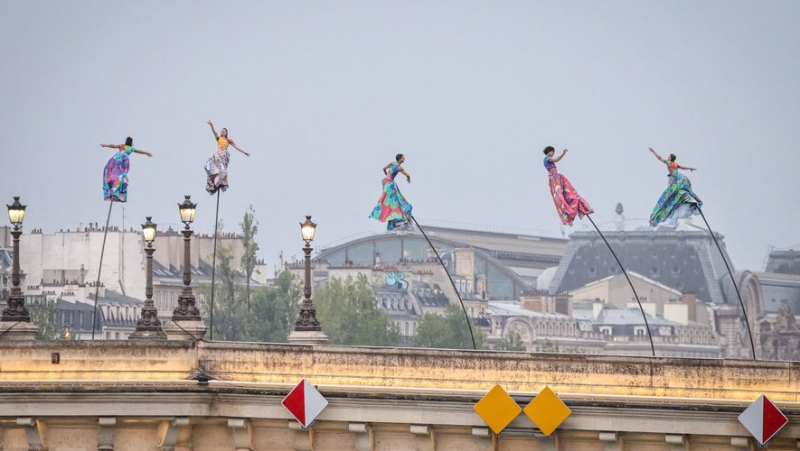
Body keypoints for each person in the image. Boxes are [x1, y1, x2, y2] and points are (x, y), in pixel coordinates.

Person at [648, 147, 702, 227]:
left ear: (670, 158)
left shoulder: (669, 162)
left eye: (669, 156)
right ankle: (686, 199)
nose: (667, 157)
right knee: (682, 191)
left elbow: (659, 158)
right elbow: (682, 167)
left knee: (671, 194)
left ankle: (675, 204)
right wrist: (690, 168)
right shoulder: (675, 164)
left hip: (678, 179)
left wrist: (653, 151)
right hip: (682, 177)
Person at [543, 146, 593, 226]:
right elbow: (556, 160)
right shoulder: (546, 158)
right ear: (548, 151)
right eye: (552, 151)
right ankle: (567, 215)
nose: (553, 153)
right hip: (554, 179)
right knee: (560, 197)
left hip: (558, 177)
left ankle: (575, 210)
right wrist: (563, 154)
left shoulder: (557, 172)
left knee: (569, 192)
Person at [205, 120, 250, 195]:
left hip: (224, 154)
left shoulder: (228, 140)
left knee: (222, 169)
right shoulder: (218, 138)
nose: (222, 132)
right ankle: (214, 180)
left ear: (226, 133)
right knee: (213, 166)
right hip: (218, 154)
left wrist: (244, 152)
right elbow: (214, 133)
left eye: (224, 131)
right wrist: (212, 126)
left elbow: (236, 146)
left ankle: (221, 180)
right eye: (221, 131)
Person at [100, 137, 152, 202]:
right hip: (123, 160)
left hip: (116, 158)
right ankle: (115, 188)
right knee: (121, 175)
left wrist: (105, 145)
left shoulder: (122, 146)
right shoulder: (130, 148)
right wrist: (147, 153)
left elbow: (112, 146)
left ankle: (114, 187)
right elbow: (139, 151)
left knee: (114, 173)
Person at [370, 154, 413, 230]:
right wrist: (408, 178)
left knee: (392, 201)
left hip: (385, 182)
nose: (404, 159)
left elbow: (384, 168)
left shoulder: (392, 163)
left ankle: (396, 219)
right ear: (400, 159)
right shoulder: (399, 167)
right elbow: (407, 175)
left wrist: (387, 176)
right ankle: (400, 219)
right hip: (389, 184)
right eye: (403, 157)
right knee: (396, 201)